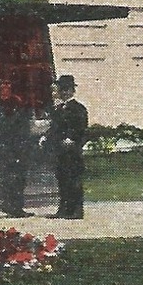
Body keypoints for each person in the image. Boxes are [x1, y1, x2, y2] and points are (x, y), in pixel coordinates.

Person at [43, 75, 88, 219]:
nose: (64, 93)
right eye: (62, 90)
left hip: (72, 151)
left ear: (72, 91)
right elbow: (54, 128)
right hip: (60, 150)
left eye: (67, 90)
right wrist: (46, 137)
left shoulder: (78, 109)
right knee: (62, 179)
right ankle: (64, 209)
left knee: (74, 180)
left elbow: (81, 129)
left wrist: (72, 139)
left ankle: (76, 210)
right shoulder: (58, 109)